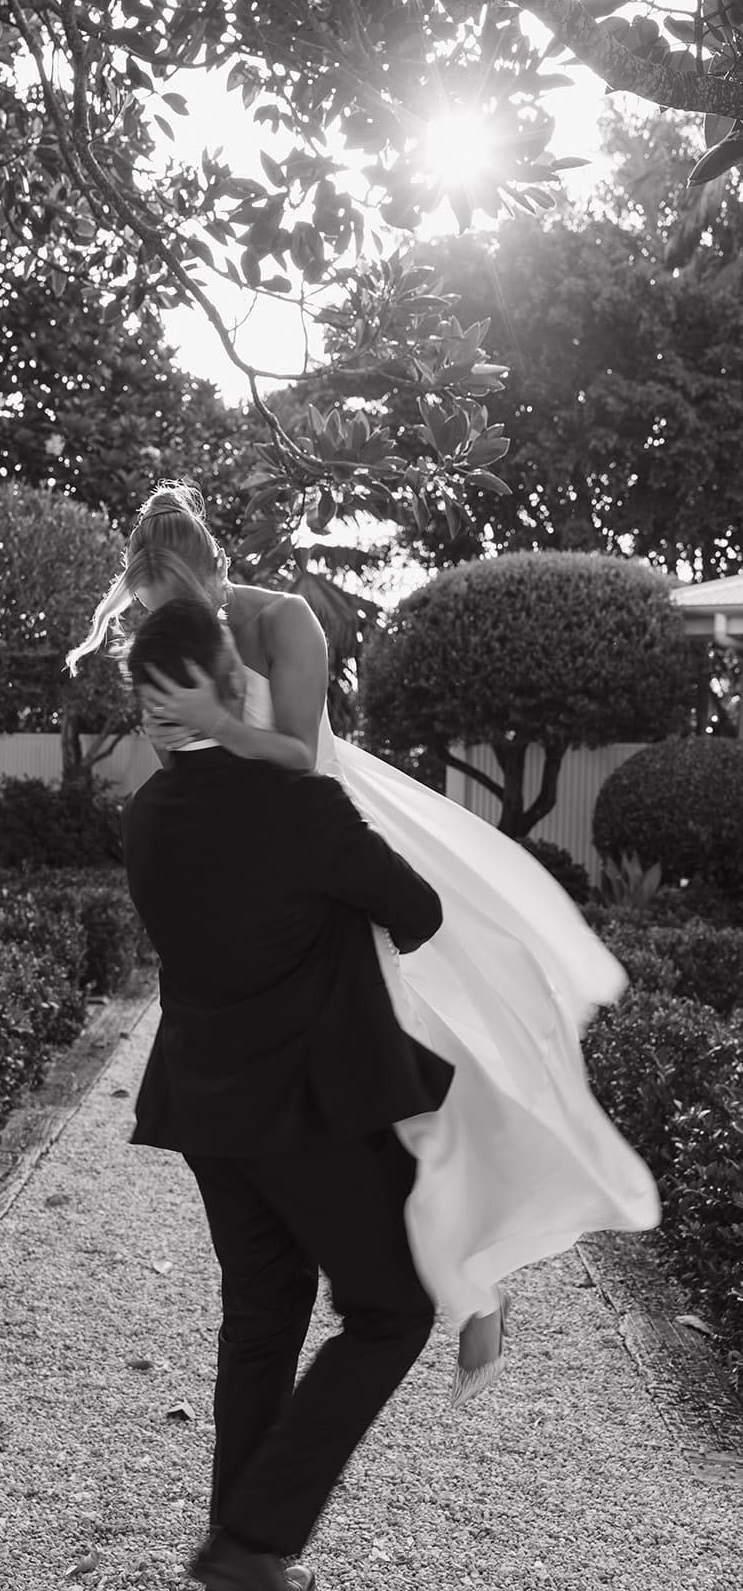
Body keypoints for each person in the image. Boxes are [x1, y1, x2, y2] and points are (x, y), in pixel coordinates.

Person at [67, 482, 661, 1406]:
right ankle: (438, 1278)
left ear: (216, 578)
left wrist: (217, 726)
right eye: (147, 613)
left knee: (437, 1060)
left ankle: (467, 1277)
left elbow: (299, 762)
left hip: (326, 837)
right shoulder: (177, 640)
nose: (164, 629)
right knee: (363, 1096)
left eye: (175, 606)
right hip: (260, 865)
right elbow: (186, 776)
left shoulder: (285, 621)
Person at [120, 595, 452, 1591]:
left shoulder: (146, 815)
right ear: (232, 684)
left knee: (262, 1315)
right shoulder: (297, 803)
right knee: (391, 1310)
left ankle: (242, 1557)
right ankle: (252, 1535)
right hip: (307, 1111)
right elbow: (417, 910)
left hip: (209, 1111)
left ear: (149, 708)